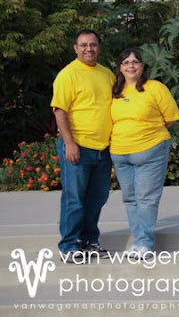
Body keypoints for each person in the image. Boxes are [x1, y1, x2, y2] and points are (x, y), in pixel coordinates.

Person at [51, 29, 115, 262]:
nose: (89, 49)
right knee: (74, 199)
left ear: (99, 47)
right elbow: (60, 111)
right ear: (76, 48)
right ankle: (69, 246)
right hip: (78, 146)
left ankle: (89, 241)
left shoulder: (107, 74)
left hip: (103, 149)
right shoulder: (68, 74)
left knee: (97, 198)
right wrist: (69, 143)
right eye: (84, 45)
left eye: (93, 45)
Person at [110, 48, 179, 259]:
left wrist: (148, 133)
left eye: (135, 62)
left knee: (146, 198)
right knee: (130, 199)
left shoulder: (155, 88)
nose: (131, 66)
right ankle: (138, 240)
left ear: (142, 66)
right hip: (120, 152)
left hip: (150, 150)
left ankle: (145, 243)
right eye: (126, 62)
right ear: (120, 67)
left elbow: (171, 117)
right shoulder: (115, 90)